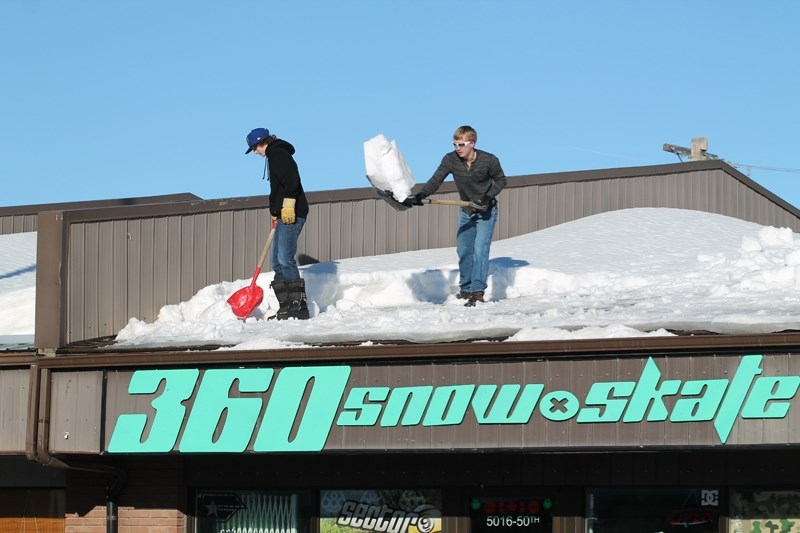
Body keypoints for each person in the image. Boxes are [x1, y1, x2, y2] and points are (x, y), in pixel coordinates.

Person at [403, 125, 507, 306]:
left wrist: (486, 197)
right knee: (464, 250)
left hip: (486, 211)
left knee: (480, 250)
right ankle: (466, 288)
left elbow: (501, 180)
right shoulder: (451, 160)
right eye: (455, 144)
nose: (457, 148)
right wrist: (420, 195)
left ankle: (477, 291)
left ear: (472, 143)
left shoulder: (489, 160)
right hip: (467, 211)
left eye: (461, 144)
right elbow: (436, 179)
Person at [245, 127, 310, 320]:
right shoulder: (274, 155)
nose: (255, 152)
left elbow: (292, 180)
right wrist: (275, 211)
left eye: (254, 148)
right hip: (283, 214)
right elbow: (278, 188)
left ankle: (299, 307)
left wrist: (289, 204)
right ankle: (286, 307)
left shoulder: (277, 153)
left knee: (285, 258)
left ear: (261, 142)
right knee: (276, 262)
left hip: (292, 212)